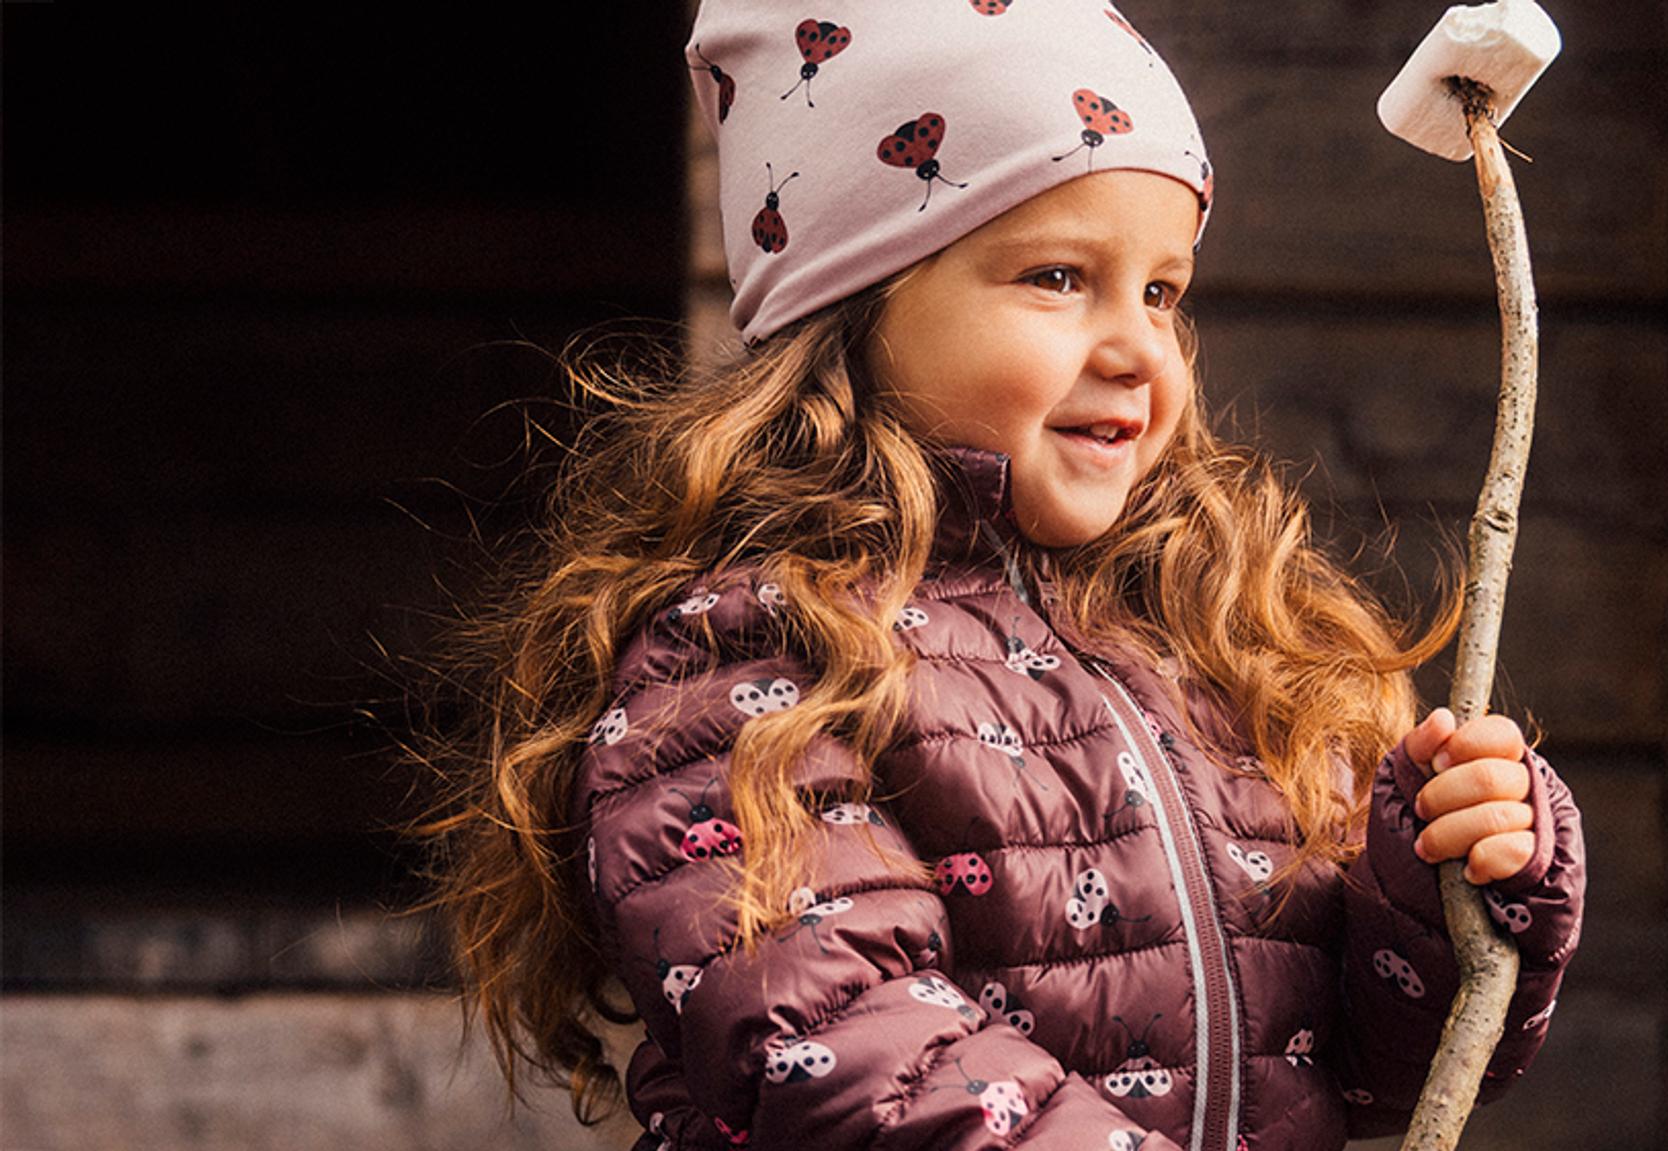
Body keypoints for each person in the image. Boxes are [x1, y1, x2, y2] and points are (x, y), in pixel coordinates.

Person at [408, 3, 1586, 1149]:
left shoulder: (1207, 642)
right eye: (1059, 277)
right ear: (855, 308)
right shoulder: (748, 656)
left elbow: (1374, 1067)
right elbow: (839, 1051)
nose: (1138, 349)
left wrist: (1447, 893)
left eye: (1162, 290)